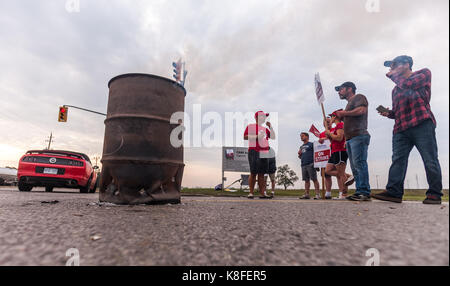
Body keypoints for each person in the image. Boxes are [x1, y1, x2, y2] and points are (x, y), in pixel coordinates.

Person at [373, 55, 443, 204]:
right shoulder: (395, 90)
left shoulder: (423, 73)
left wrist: (393, 76)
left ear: (406, 64)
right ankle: (394, 192)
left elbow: (409, 84)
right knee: (398, 160)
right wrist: (389, 113)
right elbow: (398, 111)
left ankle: (434, 194)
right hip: (401, 128)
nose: (391, 69)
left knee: (430, 159)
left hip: (422, 123)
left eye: (393, 65)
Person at [335, 82, 371, 201]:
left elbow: (361, 110)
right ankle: (359, 191)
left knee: (359, 163)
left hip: (359, 135)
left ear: (349, 89)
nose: (339, 92)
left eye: (341, 89)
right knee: (355, 166)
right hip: (350, 138)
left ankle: (364, 192)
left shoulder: (359, 97)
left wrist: (344, 113)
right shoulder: (348, 104)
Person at [244, 111, 276, 199]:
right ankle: (251, 193)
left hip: (265, 152)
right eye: (263, 116)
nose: (264, 118)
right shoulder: (251, 126)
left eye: (265, 116)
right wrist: (256, 137)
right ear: (257, 117)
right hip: (254, 150)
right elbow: (245, 136)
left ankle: (262, 193)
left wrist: (271, 127)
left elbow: (273, 137)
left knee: (262, 174)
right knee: (253, 172)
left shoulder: (265, 129)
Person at [324, 110, 352, 200]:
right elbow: (334, 140)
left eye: (331, 117)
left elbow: (339, 138)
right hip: (334, 151)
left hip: (340, 150)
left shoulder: (340, 125)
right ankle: (348, 176)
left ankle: (344, 194)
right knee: (327, 170)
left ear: (334, 117)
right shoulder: (336, 127)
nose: (330, 119)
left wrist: (330, 134)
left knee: (340, 174)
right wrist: (329, 135)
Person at [298, 132, 320, 200]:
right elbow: (300, 157)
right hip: (303, 164)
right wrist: (299, 154)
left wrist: (316, 163)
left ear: (307, 137)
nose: (301, 137)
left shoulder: (311, 144)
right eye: (300, 136)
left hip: (311, 163)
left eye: (303, 136)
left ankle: (317, 194)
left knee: (314, 179)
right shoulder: (301, 146)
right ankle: (307, 194)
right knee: (306, 180)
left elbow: (316, 152)